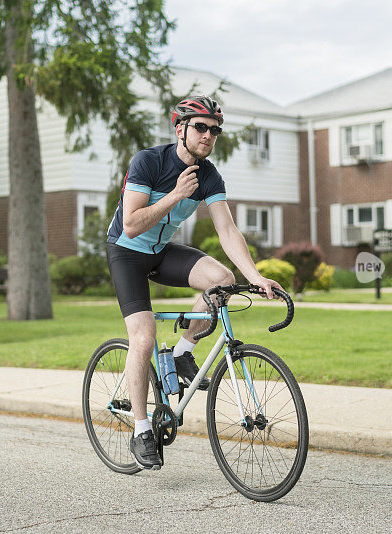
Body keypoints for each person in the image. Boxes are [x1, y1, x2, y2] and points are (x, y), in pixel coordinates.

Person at [106, 95, 283, 470]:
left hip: (160, 250)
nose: (208, 135)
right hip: (127, 252)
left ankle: (184, 352)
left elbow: (227, 230)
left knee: (221, 280)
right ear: (180, 129)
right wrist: (175, 195)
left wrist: (256, 277)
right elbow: (132, 223)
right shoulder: (149, 161)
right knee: (144, 336)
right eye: (200, 127)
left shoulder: (209, 175)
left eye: (214, 130)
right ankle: (140, 430)